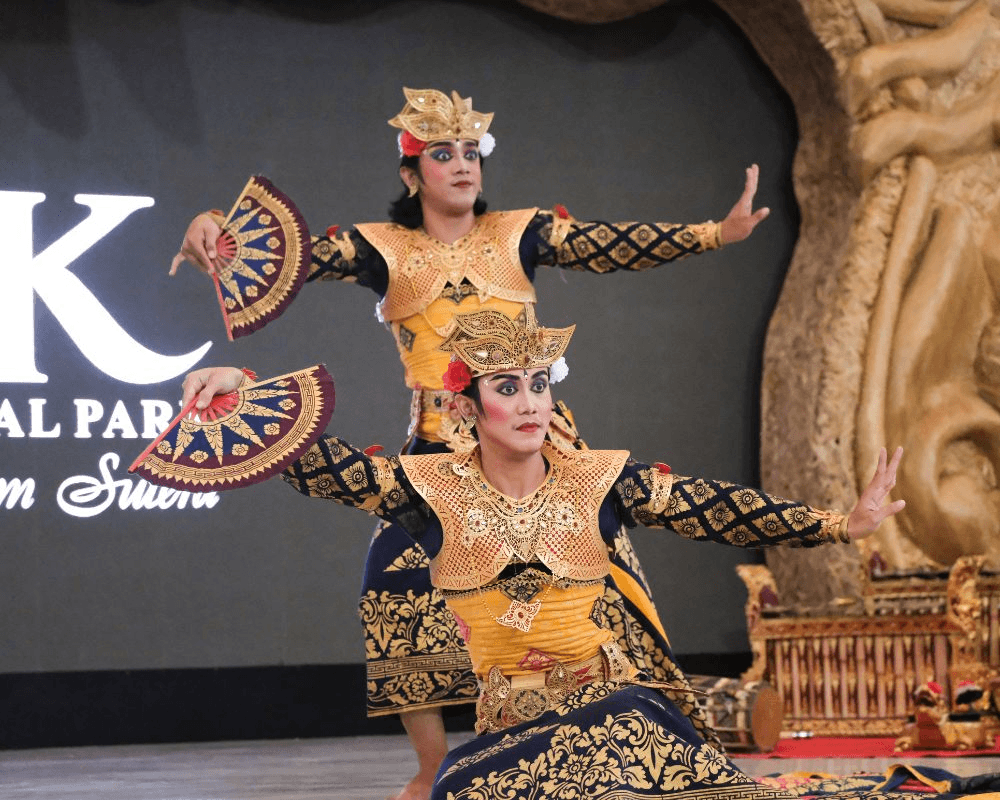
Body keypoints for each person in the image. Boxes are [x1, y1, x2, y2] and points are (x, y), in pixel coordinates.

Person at [169, 87, 770, 800]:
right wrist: (212, 223)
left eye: (471, 152)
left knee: (600, 590)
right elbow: (285, 257)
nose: (462, 166)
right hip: (436, 444)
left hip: (539, 448)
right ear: (410, 173)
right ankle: (431, 769)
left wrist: (710, 233)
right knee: (393, 592)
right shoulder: (383, 248)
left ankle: (623, 744)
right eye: (442, 154)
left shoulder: (519, 232)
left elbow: (606, 243)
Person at [179, 307, 908, 800]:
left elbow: (711, 507)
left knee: (620, 730)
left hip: (620, 715)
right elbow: (328, 466)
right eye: (507, 388)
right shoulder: (430, 492)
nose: (529, 404)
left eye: (537, 386)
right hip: (511, 736)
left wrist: (841, 523)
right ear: (468, 406)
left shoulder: (598, 481)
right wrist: (241, 387)